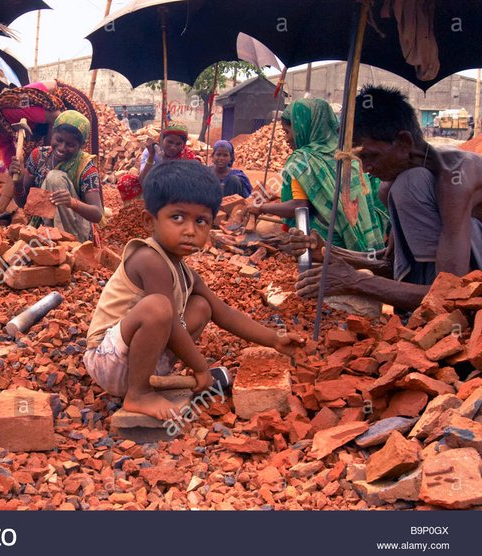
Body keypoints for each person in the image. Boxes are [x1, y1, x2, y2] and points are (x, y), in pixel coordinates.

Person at [84, 161, 304, 420]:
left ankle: (150, 379)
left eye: (201, 221)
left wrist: (274, 339)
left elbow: (224, 313)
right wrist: (201, 368)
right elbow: (169, 321)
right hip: (107, 360)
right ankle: (138, 394)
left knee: (202, 306)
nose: (190, 230)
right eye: (177, 217)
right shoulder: (148, 259)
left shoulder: (185, 273)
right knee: (159, 307)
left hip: (139, 360)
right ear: (148, 221)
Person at [294, 85, 482, 312]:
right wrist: (329, 252)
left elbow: (453, 295)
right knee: (396, 187)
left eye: (370, 156)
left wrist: (356, 281)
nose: (365, 169)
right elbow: (391, 263)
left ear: (403, 142)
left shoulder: (455, 179)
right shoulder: (393, 183)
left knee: (410, 185)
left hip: (468, 286)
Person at [246, 98, 386, 253]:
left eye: (288, 132)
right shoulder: (350, 156)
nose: (286, 139)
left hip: (327, 247)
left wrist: (261, 207)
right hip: (366, 246)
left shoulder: (303, 159)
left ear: (302, 128)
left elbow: (299, 206)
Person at [0, 80, 99, 174]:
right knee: (37, 164)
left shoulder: (10, 110)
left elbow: (56, 116)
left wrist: (47, 151)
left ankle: (92, 206)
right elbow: (8, 152)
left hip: (67, 103)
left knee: (82, 160)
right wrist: (15, 174)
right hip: (46, 124)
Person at [9, 110, 103, 242]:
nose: (62, 147)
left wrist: (72, 202)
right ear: (52, 133)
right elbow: (23, 203)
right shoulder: (38, 157)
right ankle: (45, 242)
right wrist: (17, 183)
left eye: (70, 145)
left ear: (81, 146)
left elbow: (97, 214)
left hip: (75, 233)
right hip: (41, 230)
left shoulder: (86, 168)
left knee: (54, 177)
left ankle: (63, 244)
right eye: (59, 140)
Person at [116, 122, 201, 202]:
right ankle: (138, 210)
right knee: (125, 181)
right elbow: (143, 181)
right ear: (161, 139)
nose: (173, 147)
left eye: (178, 144)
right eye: (169, 142)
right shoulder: (152, 151)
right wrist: (151, 156)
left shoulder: (187, 156)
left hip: (177, 192)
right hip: (154, 187)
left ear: (183, 145)